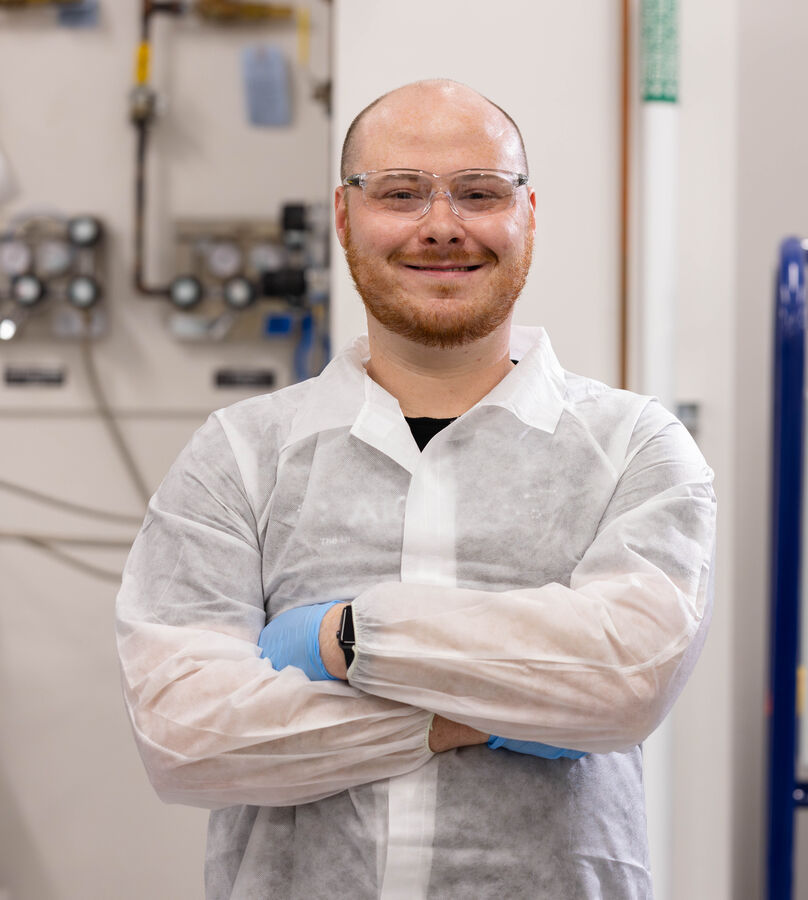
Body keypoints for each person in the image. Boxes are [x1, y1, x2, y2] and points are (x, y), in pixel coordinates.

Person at [116, 79, 716, 900]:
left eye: (479, 193)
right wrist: (477, 717)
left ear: (528, 215)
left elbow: (621, 686)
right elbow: (188, 735)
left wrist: (342, 639)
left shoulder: (634, 449)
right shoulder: (240, 458)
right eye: (400, 194)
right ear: (343, 217)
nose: (441, 225)